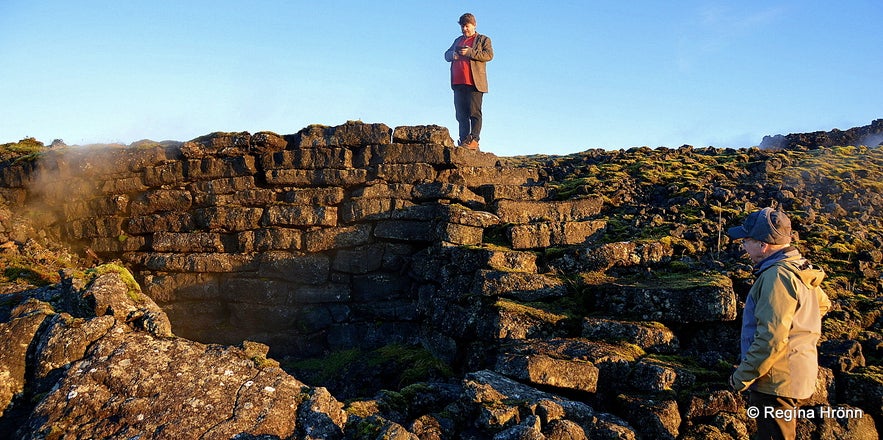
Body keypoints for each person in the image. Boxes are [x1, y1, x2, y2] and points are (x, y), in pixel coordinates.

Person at [726, 207, 831, 440]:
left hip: (775, 383)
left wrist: (742, 376)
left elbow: (771, 337)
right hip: (793, 375)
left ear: (763, 245)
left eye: (746, 240)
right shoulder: (799, 269)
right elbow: (821, 305)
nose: (743, 247)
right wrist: (799, 339)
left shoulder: (776, 276)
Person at [444, 12, 493, 151]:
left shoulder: (484, 39)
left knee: (474, 112)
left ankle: (474, 140)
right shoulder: (457, 40)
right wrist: (452, 55)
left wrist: (470, 52)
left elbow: (489, 55)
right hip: (458, 82)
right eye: (462, 27)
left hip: (474, 82)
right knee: (461, 114)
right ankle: (464, 140)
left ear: (474, 25)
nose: (464, 29)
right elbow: (446, 54)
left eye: (466, 26)